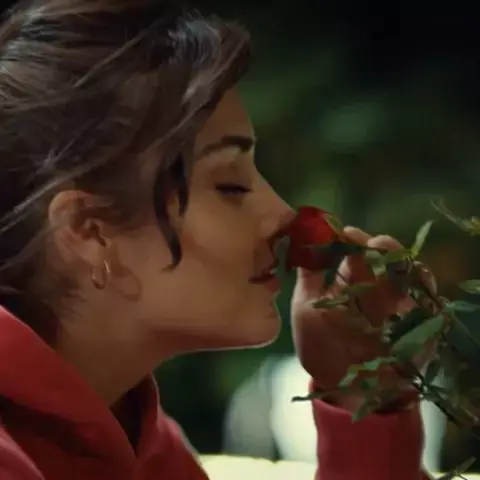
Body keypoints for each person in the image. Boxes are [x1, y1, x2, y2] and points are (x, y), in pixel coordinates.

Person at [0, 0, 431, 478]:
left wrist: (362, 391)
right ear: (89, 231)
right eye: (230, 185)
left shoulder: (138, 438)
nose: (282, 214)